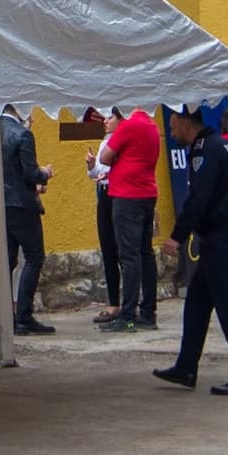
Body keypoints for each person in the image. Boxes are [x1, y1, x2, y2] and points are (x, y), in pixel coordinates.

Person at [153, 101, 228, 394]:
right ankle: (186, 366)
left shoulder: (205, 152)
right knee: (198, 304)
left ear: (187, 125)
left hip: (220, 240)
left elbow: (198, 198)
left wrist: (177, 235)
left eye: (174, 128)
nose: (172, 134)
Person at [90, 104, 162, 331]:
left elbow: (105, 156)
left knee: (128, 255)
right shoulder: (151, 124)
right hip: (147, 192)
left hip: (127, 195)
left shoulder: (128, 125)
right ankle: (148, 311)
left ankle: (127, 314)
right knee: (145, 252)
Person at [0, 115, 50, 336]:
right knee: (34, 256)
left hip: (2, 203)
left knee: (7, 261)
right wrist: (44, 174)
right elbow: (31, 173)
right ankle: (24, 316)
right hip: (23, 205)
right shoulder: (23, 134)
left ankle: (5, 315)